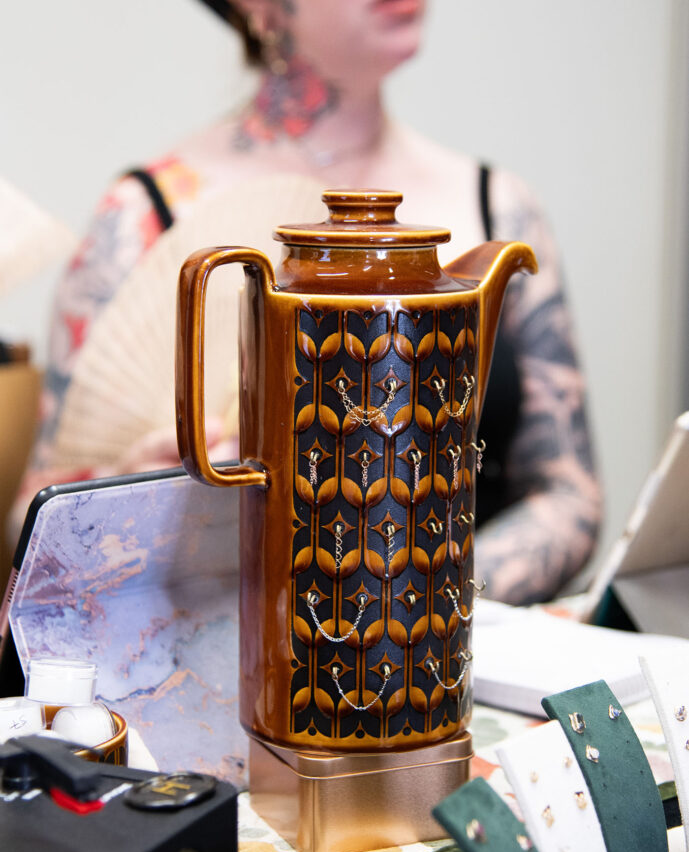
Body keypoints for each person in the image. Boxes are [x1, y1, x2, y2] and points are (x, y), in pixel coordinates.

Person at [13, 0, 601, 606]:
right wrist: (132, 492)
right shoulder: (141, 218)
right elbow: (27, 523)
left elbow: (569, 495)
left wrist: (428, 592)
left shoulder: (499, 205)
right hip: (242, 640)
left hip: (451, 643)